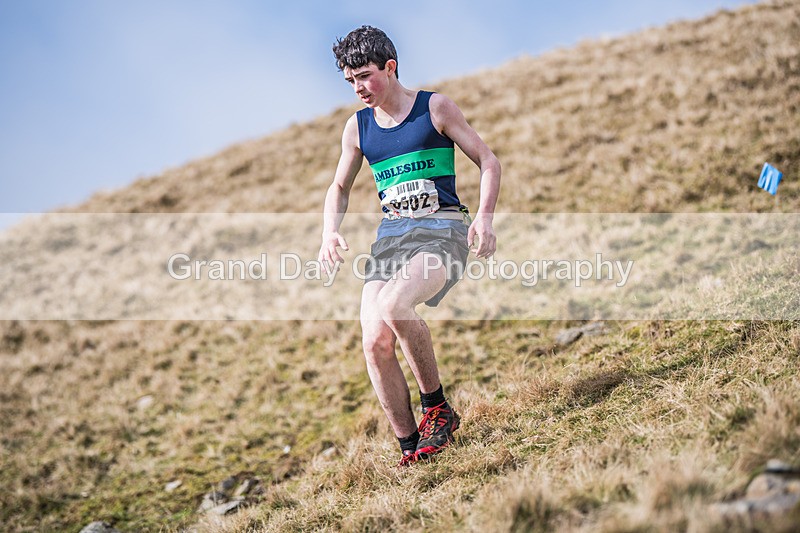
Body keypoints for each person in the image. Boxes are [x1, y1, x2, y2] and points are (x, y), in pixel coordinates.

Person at [318, 25, 501, 467]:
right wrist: (329, 231)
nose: (359, 88)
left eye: (365, 76)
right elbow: (339, 187)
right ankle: (409, 445)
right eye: (350, 81)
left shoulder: (434, 108)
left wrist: (484, 216)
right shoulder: (358, 128)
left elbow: (488, 160)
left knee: (396, 305)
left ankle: (437, 409)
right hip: (391, 241)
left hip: (443, 233)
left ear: (390, 67)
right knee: (373, 341)